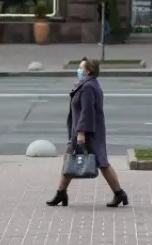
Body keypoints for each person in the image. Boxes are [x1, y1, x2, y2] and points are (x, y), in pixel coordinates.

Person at [46, 58, 128, 208]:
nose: (78, 70)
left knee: (101, 162)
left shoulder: (88, 87)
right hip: (84, 129)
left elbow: (87, 111)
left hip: (87, 132)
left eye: (80, 68)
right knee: (69, 158)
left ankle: (119, 193)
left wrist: (81, 132)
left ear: (88, 71)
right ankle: (61, 193)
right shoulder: (87, 84)